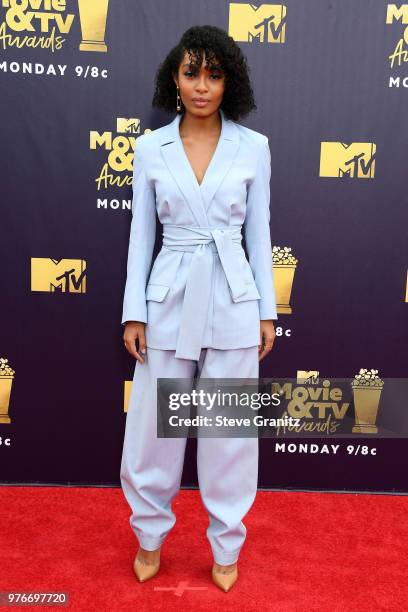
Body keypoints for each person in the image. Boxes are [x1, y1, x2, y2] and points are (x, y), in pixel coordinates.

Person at [120, 25, 278, 592]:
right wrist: (133, 311)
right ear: (174, 77)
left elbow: (259, 236)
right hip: (168, 298)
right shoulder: (150, 147)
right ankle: (149, 536)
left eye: (214, 74)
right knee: (153, 433)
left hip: (235, 299)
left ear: (229, 81)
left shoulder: (253, 147)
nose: (202, 86)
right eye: (192, 73)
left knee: (226, 432)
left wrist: (265, 311)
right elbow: (141, 235)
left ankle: (227, 541)